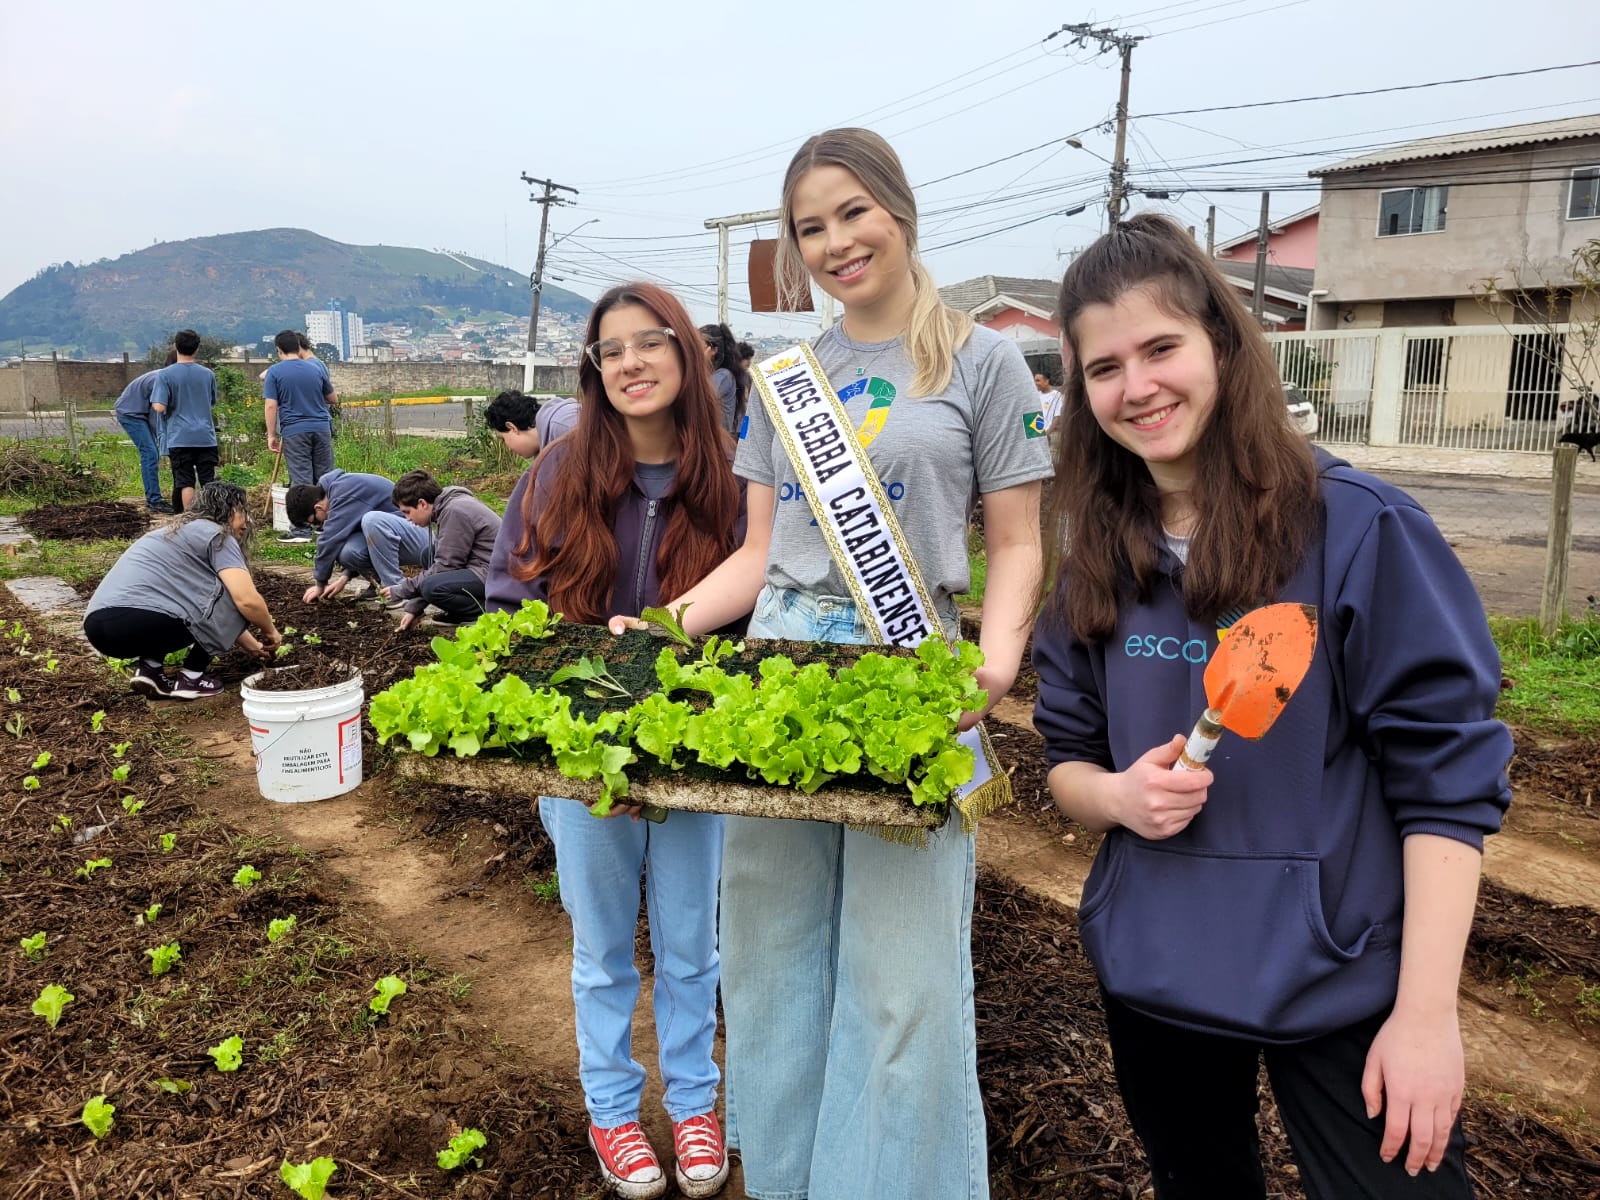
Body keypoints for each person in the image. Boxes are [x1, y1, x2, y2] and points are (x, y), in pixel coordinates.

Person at [1031, 213, 1511, 1199]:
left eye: (1161, 347)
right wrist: (1115, 798)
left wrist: (1426, 1016)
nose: (1139, 386)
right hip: (1157, 974)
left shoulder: (1356, 530)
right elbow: (1064, 763)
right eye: (1106, 368)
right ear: (1082, 393)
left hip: (1343, 978)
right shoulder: (1095, 561)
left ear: (1221, 343)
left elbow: (1446, 788)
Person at [612, 128, 1052, 1199]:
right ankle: (793, 1177)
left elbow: (1020, 540)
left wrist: (991, 665)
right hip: (782, 680)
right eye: (810, 227)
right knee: (771, 957)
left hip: (912, 682)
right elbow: (759, 555)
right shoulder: (785, 379)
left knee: (905, 973)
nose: (835, 242)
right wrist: (667, 629)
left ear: (899, 210)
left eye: (852, 212)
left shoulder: (983, 360)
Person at [487, 282, 745, 1200]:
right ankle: (613, 1115)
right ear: (594, 371)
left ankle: (697, 1104)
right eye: (611, 350)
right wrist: (581, 736)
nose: (632, 362)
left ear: (688, 355)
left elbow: (754, 624)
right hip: (578, 760)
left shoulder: (731, 482)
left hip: (692, 762)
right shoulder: (554, 472)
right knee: (600, 950)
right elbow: (508, 611)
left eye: (651, 343)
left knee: (690, 946)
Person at [83, 482, 281, 699]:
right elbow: (245, 601)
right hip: (144, 620)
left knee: (172, 600)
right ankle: (192, 677)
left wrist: (253, 646)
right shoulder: (218, 535)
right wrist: (270, 631)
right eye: (245, 512)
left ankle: (151, 669)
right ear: (231, 508)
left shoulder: (168, 533)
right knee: (234, 594)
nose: (248, 522)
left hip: (98, 628)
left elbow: (202, 607)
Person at [286, 470, 432, 606]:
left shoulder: (344, 490)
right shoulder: (335, 494)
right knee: (347, 551)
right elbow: (356, 544)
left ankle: (397, 589)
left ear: (318, 508)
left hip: (422, 538)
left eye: (315, 522)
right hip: (396, 540)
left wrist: (320, 583)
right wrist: (345, 577)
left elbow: (329, 540)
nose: (321, 525)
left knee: (372, 520)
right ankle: (378, 585)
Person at [384, 469, 501, 629]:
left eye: (407, 512)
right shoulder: (449, 505)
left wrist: (403, 589)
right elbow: (444, 562)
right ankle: (461, 611)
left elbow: (446, 566)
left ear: (422, 503)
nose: (407, 519)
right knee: (428, 554)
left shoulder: (455, 511)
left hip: (499, 574)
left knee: (432, 587)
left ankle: (485, 611)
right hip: (483, 566)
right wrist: (415, 608)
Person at [263, 329, 336, 544]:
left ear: (279, 350)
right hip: (322, 428)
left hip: (295, 430)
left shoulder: (275, 372)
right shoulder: (315, 368)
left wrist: (271, 435)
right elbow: (332, 398)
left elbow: (270, 405)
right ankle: (327, 525)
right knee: (325, 477)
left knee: (301, 479)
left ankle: (301, 530)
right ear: (299, 346)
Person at [150, 329, 218, 513]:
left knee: (185, 480)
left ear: (175, 346)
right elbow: (211, 401)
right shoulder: (208, 374)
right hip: (205, 436)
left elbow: (159, 407)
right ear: (197, 349)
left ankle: (189, 519)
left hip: (180, 436)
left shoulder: (165, 375)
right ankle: (210, 515)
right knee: (208, 480)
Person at [115, 351, 176, 514]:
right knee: (150, 453)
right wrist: (164, 443)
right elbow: (155, 417)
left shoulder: (165, 378)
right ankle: (154, 502)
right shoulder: (160, 381)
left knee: (152, 451)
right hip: (131, 414)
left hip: (141, 412)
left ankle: (154, 498)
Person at [697, 322, 748, 434]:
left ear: (713, 350)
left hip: (717, 443)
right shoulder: (711, 376)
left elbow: (697, 402)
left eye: (698, 346)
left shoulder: (723, 376)